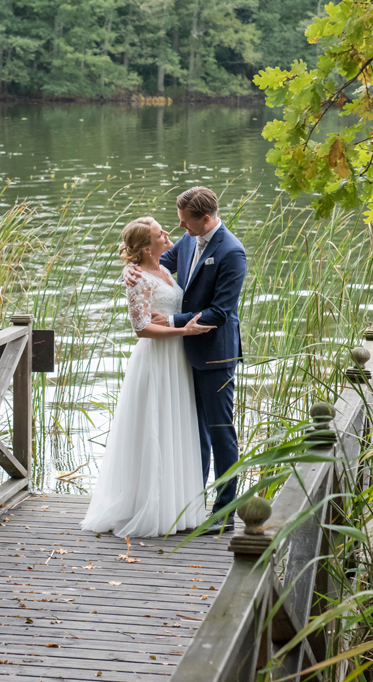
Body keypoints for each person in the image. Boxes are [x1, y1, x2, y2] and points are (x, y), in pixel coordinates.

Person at [80, 216, 214, 537]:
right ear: (145, 247)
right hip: (155, 359)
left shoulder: (164, 269)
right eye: (159, 233)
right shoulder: (138, 278)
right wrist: (183, 329)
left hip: (175, 359)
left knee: (174, 426)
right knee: (154, 427)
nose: (167, 233)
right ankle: (150, 507)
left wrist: (176, 328)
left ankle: (178, 505)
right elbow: (140, 328)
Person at [125, 187, 246, 530]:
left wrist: (176, 322)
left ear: (204, 219)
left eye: (184, 222)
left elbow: (222, 311)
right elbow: (154, 266)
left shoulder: (231, 252)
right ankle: (190, 506)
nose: (179, 229)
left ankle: (224, 516)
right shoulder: (190, 240)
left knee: (220, 433)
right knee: (192, 434)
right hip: (179, 358)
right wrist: (128, 273)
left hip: (213, 356)